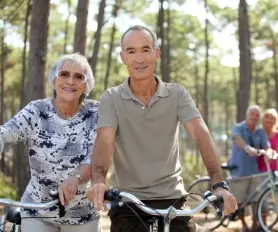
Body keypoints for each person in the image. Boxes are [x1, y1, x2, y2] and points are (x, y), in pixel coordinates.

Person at [85, 25, 237, 232]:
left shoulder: (177, 94)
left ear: (156, 54)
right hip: (127, 202)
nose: (139, 59)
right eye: (131, 51)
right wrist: (98, 180)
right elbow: (105, 141)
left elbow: (201, 135)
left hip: (173, 198)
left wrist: (219, 185)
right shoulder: (111, 98)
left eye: (145, 50)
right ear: (123, 57)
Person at [0, 53, 101, 232]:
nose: (70, 81)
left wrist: (76, 179)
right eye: (64, 74)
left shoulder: (95, 113)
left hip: (83, 216)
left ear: (86, 85)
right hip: (37, 211)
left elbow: (96, 156)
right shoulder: (36, 111)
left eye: (79, 76)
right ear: (54, 79)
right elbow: (6, 133)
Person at [228, 105, 270, 232]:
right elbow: (237, 139)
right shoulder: (238, 127)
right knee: (239, 201)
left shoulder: (260, 132)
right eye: (252, 114)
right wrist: (247, 148)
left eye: (257, 115)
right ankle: (243, 225)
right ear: (247, 114)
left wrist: (269, 152)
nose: (254, 117)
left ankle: (255, 225)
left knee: (257, 200)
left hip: (255, 172)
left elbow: (266, 146)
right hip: (239, 171)